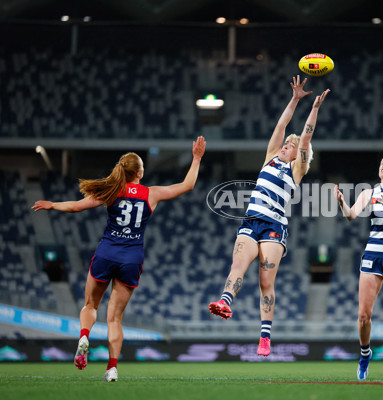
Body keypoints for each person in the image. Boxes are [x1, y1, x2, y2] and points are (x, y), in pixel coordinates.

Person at [32, 137, 206, 382]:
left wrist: (52, 205)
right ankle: (111, 368)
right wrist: (196, 158)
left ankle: (84, 335)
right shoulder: (151, 194)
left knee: (90, 306)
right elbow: (187, 185)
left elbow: (76, 207)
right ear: (140, 172)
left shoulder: (112, 192)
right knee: (114, 318)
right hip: (131, 258)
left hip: (107, 253)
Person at [208, 76, 330, 357]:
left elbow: (306, 137)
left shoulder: (297, 171)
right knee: (237, 264)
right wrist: (295, 99)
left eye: (292, 145)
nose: (287, 145)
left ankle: (265, 336)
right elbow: (281, 125)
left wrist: (313, 109)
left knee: (266, 282)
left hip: (275, 226)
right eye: (287, 144)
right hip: (251, 221)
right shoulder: (270, 158)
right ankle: (225, 301)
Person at [334, 154, 383, 383]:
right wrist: (341, 202)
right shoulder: (369, 192)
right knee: (363, 316)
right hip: (373, 253)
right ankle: (365, 354)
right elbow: (351, 215)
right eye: (381, 163)